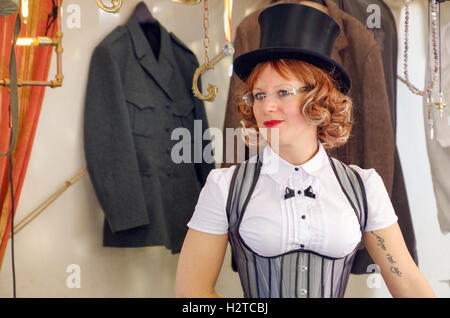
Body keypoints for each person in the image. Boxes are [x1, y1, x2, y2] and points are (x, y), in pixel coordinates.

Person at [175, 2, 435, 298]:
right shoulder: (224, 187)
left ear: (319, 98)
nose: (266, 105)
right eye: (259, 95)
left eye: (283, 92)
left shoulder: (364, 187)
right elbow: (191, 292)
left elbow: (410, 286)